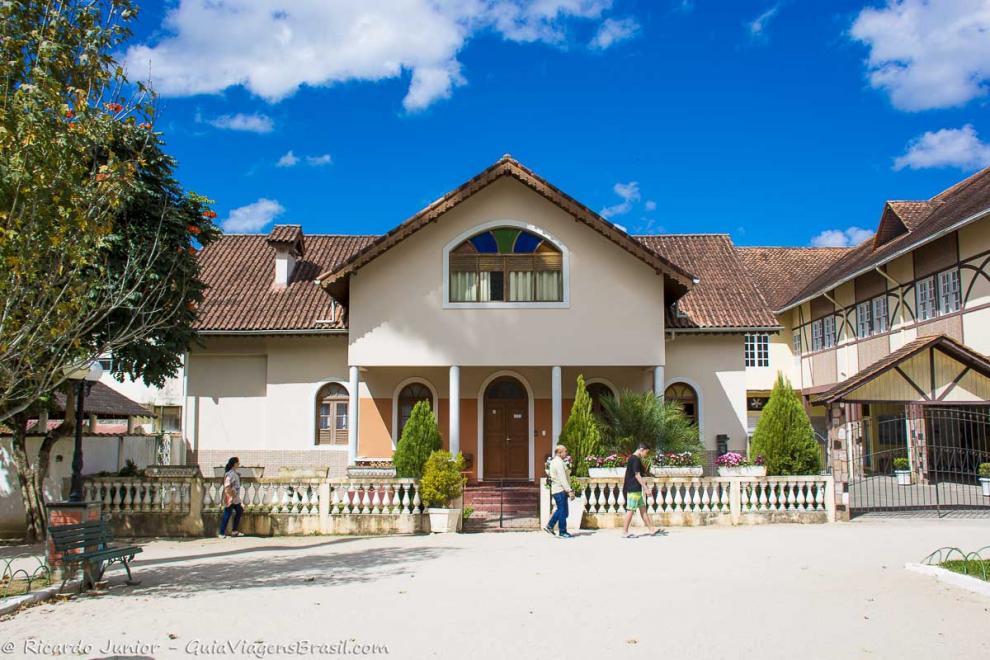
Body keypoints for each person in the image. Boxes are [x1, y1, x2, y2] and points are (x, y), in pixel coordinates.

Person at [622, 443, 658, 538]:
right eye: (646, 452)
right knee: (630, 510)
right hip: (633, 489)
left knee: (643, 510)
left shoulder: (633, 458)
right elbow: (637, 475)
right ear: (641, 449)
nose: (646, 455)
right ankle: (624, 532)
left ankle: (651, 529)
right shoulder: (635, 459)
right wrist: (646, 488)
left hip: (635, 489)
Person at [545, 444, 575, 538]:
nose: (566, 453)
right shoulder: (558, 463)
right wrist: (569, 490)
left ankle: (550, 526)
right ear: (559, 452)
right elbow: (562, 478)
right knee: (562, 511)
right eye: (565, 451)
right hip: (560, 490)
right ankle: (562, 532)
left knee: (563, 511)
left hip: (559, 490)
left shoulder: (557, 461)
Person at [219, 456, 244, 538]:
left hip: (235, 499)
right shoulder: (230, 474)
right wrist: (231, 496)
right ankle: (221, 533)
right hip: (231, 498)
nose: (239, 464)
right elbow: (227, 486)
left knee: (239, 511)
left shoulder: (234, 473)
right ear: (234, 464)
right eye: (238, 463)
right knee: (227, 514)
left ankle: (234, 531)